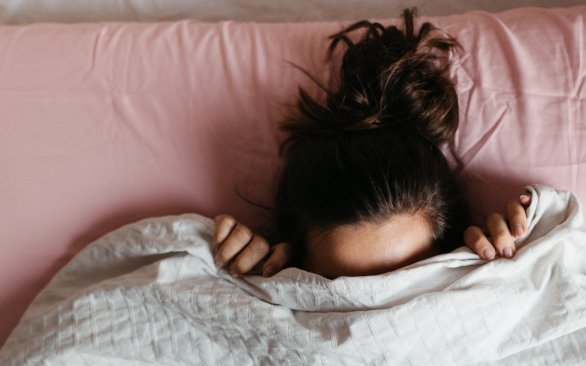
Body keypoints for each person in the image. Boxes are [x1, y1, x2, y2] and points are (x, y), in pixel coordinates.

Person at [211, 9, 530, 279]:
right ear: (297, 265)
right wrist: (230, 271)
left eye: (407, 279)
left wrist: (519, 258)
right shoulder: (273, 279)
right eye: (345, 288)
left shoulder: (486, 275)